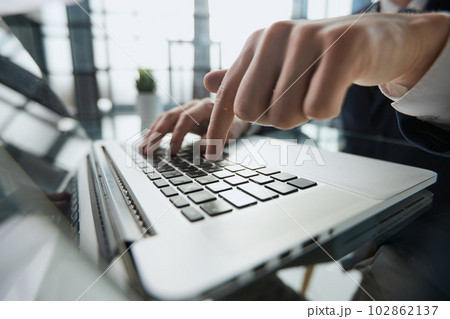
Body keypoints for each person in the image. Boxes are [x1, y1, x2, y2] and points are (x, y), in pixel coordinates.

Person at [140, 2, 450, 300]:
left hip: (431, 234)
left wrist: (428, 49)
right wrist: (238, 121)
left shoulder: (371, 28)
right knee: (216, 268)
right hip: (348, 211)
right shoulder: (350, 23)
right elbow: (301, 104)